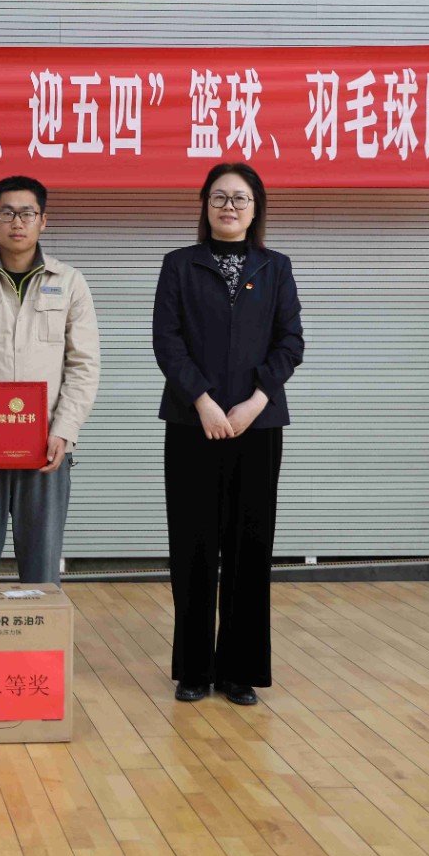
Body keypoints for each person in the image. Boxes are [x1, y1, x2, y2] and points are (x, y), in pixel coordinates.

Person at [152, 163, 304, 706]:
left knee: (249, 546)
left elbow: (291, 342)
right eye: (219, 197)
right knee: (193, 545)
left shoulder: (276, 267)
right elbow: (167, 341)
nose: (229, 207)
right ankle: (194, 669)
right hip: (192, 422)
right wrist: (204, 402)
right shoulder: (179, 264)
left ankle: (240, 670)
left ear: (256, 208)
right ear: (205, 205)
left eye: (240, 198)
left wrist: (256, 401)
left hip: (257, 425)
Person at [0, 175, 100, 584]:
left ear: (43, 220)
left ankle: (39, 631)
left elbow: (84, 364)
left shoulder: (69, 282)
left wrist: (64, 430)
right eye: (7, 212)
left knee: (43, 570)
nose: (17, 222)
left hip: (46, 446)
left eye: (27, 213)